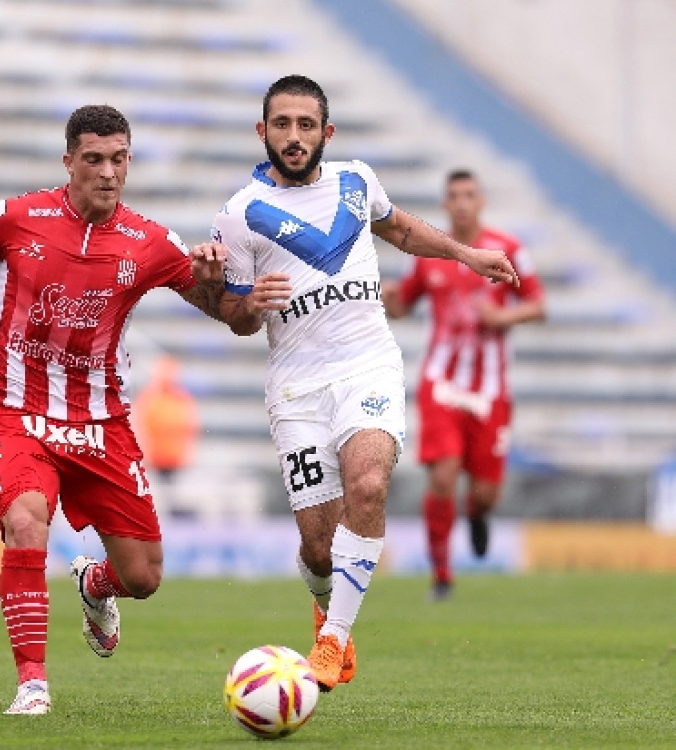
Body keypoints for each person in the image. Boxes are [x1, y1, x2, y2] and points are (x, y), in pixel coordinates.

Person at [210, 75, 520, 692]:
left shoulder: (356, 181)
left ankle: (333, 640)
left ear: (326, 133)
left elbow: (401, 230)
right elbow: (234, 315)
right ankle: (325, 603)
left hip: (367, 365)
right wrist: (252, 305)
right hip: (297, 385)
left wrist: (465, 254)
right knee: (318, 547)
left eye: (305, 125)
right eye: (281, 125)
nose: (293, 137)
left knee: (370, 484)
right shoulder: (240, 214)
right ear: (262, 131)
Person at [0, 104, 226, 716]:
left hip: (101, 424)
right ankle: (32, 684)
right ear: (69, 162)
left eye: (119, 160)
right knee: (27, 522)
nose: (108, 172)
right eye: (94, 159)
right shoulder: (19, 217)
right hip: (20, 414)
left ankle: (95, 584)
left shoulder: (151, 242)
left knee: (142, 577)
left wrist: (222, 280)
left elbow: (235, 319)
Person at [382, 169, 545, 600]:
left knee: (486, 492)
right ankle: (441, 575)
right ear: (444, 204)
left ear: (481, 201)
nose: (461, 203)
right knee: (443, 476)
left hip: (490, 390)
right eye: (453, 196)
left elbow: (536, 305)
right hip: (442, 382)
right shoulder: (427, 253)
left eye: (469, 195)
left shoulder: (510, 249)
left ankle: (478, 514)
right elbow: (402, 306)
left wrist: (502, 318)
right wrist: (384, 297)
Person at [133, 355, 200, 484]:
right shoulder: (148, 400)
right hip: (154, 459)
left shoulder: (182, 400)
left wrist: (188, 452)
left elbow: (190, 429)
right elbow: (140, 429)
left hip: (176, 459)